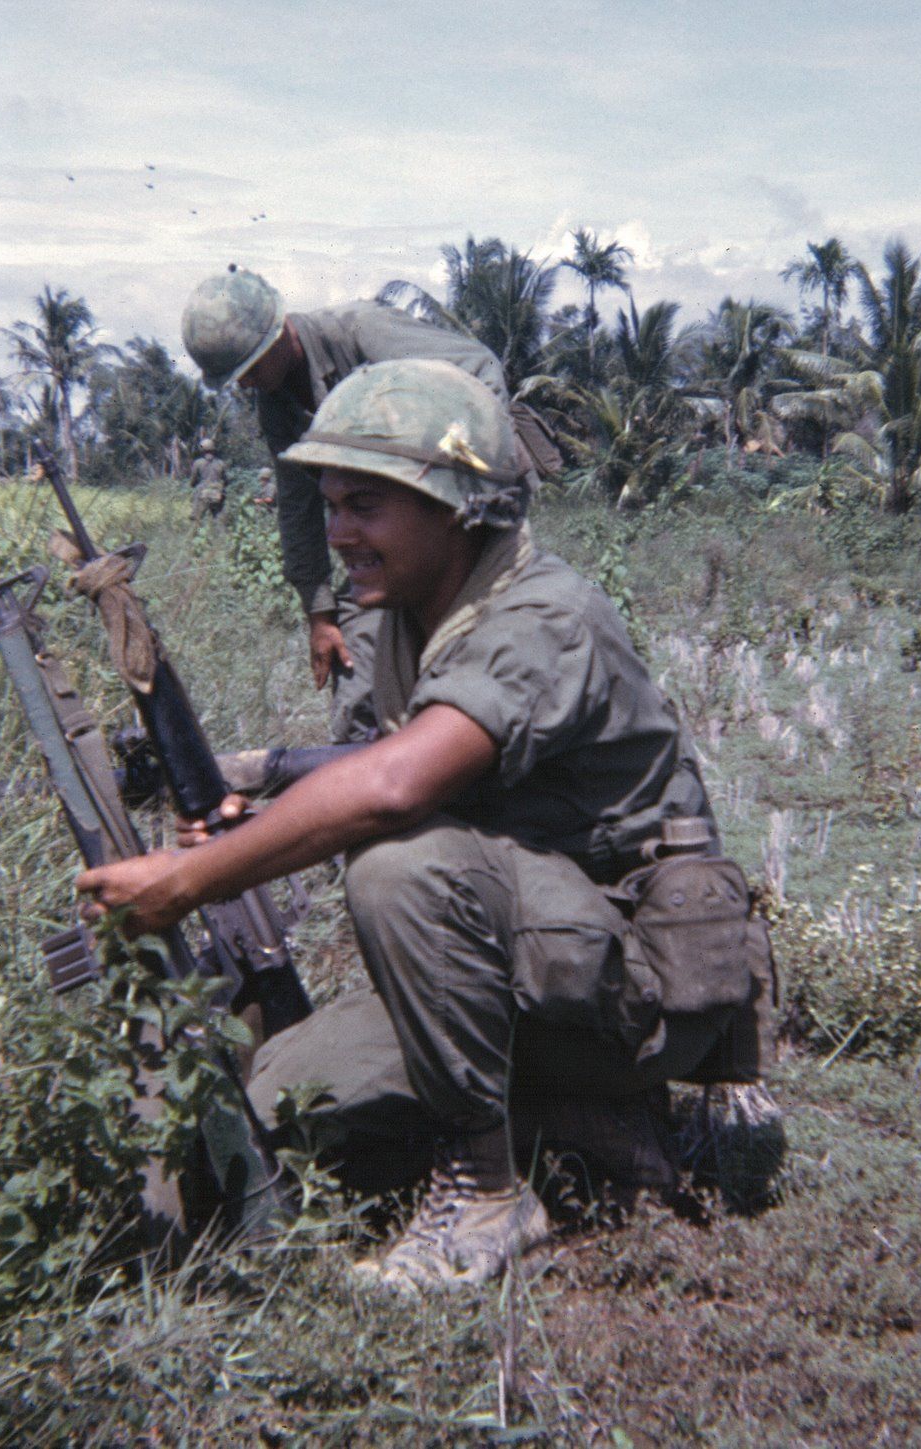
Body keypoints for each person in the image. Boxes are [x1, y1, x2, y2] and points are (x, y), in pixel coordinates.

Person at [76, 359, 767, 1292]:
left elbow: (396, 786)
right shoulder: (412, 606)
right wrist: (260, 807)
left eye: (367, 504)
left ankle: (489, 1190)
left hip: (634, 984)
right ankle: (582, 1124)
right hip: (539, 963)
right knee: (280, 1102)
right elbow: (394, 762)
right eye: (329, 505)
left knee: (398, 862)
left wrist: (191, 881)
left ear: (458, 508)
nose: (339, 532)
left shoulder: (539, 618)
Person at [181, 263, 514, 743]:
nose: (246, 385)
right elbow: (297, 503)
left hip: (467, 517)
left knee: (483, 658)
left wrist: (450, 485)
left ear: (280, 334)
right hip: (383, 545)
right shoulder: (277, 402)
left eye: (249, 368)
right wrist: (319, 613)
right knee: (358, 668)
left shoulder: (364, 332)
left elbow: (480, 371)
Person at [187, 435, 227, 524]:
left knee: (197, 519)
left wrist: (193, 484)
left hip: (202, 493)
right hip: (217, 493)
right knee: (219, 519)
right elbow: (226, 480)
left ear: (202, 450)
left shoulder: (198, 463)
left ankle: (194, 529)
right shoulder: (221, 463)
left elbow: (192, 481)